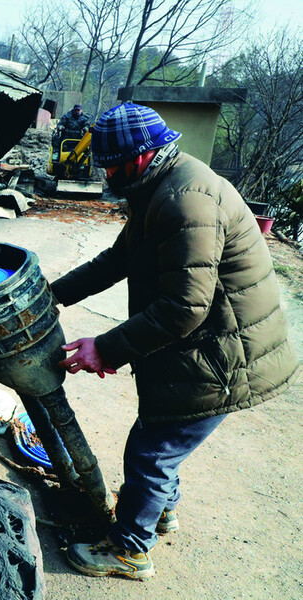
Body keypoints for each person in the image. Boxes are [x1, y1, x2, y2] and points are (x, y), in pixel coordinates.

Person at [49, 102, 300, 580]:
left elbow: (185, 307)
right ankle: (160, 510)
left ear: (138, 157)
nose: (106, 175)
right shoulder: (159, 185)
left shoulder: (184, 201)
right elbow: (116, 260)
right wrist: (52, 295)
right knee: (165, 430)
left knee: (152, 450)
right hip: (208, 343)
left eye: (109, 165)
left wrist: (105, 347)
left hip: (225, 354)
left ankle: (130, 550)